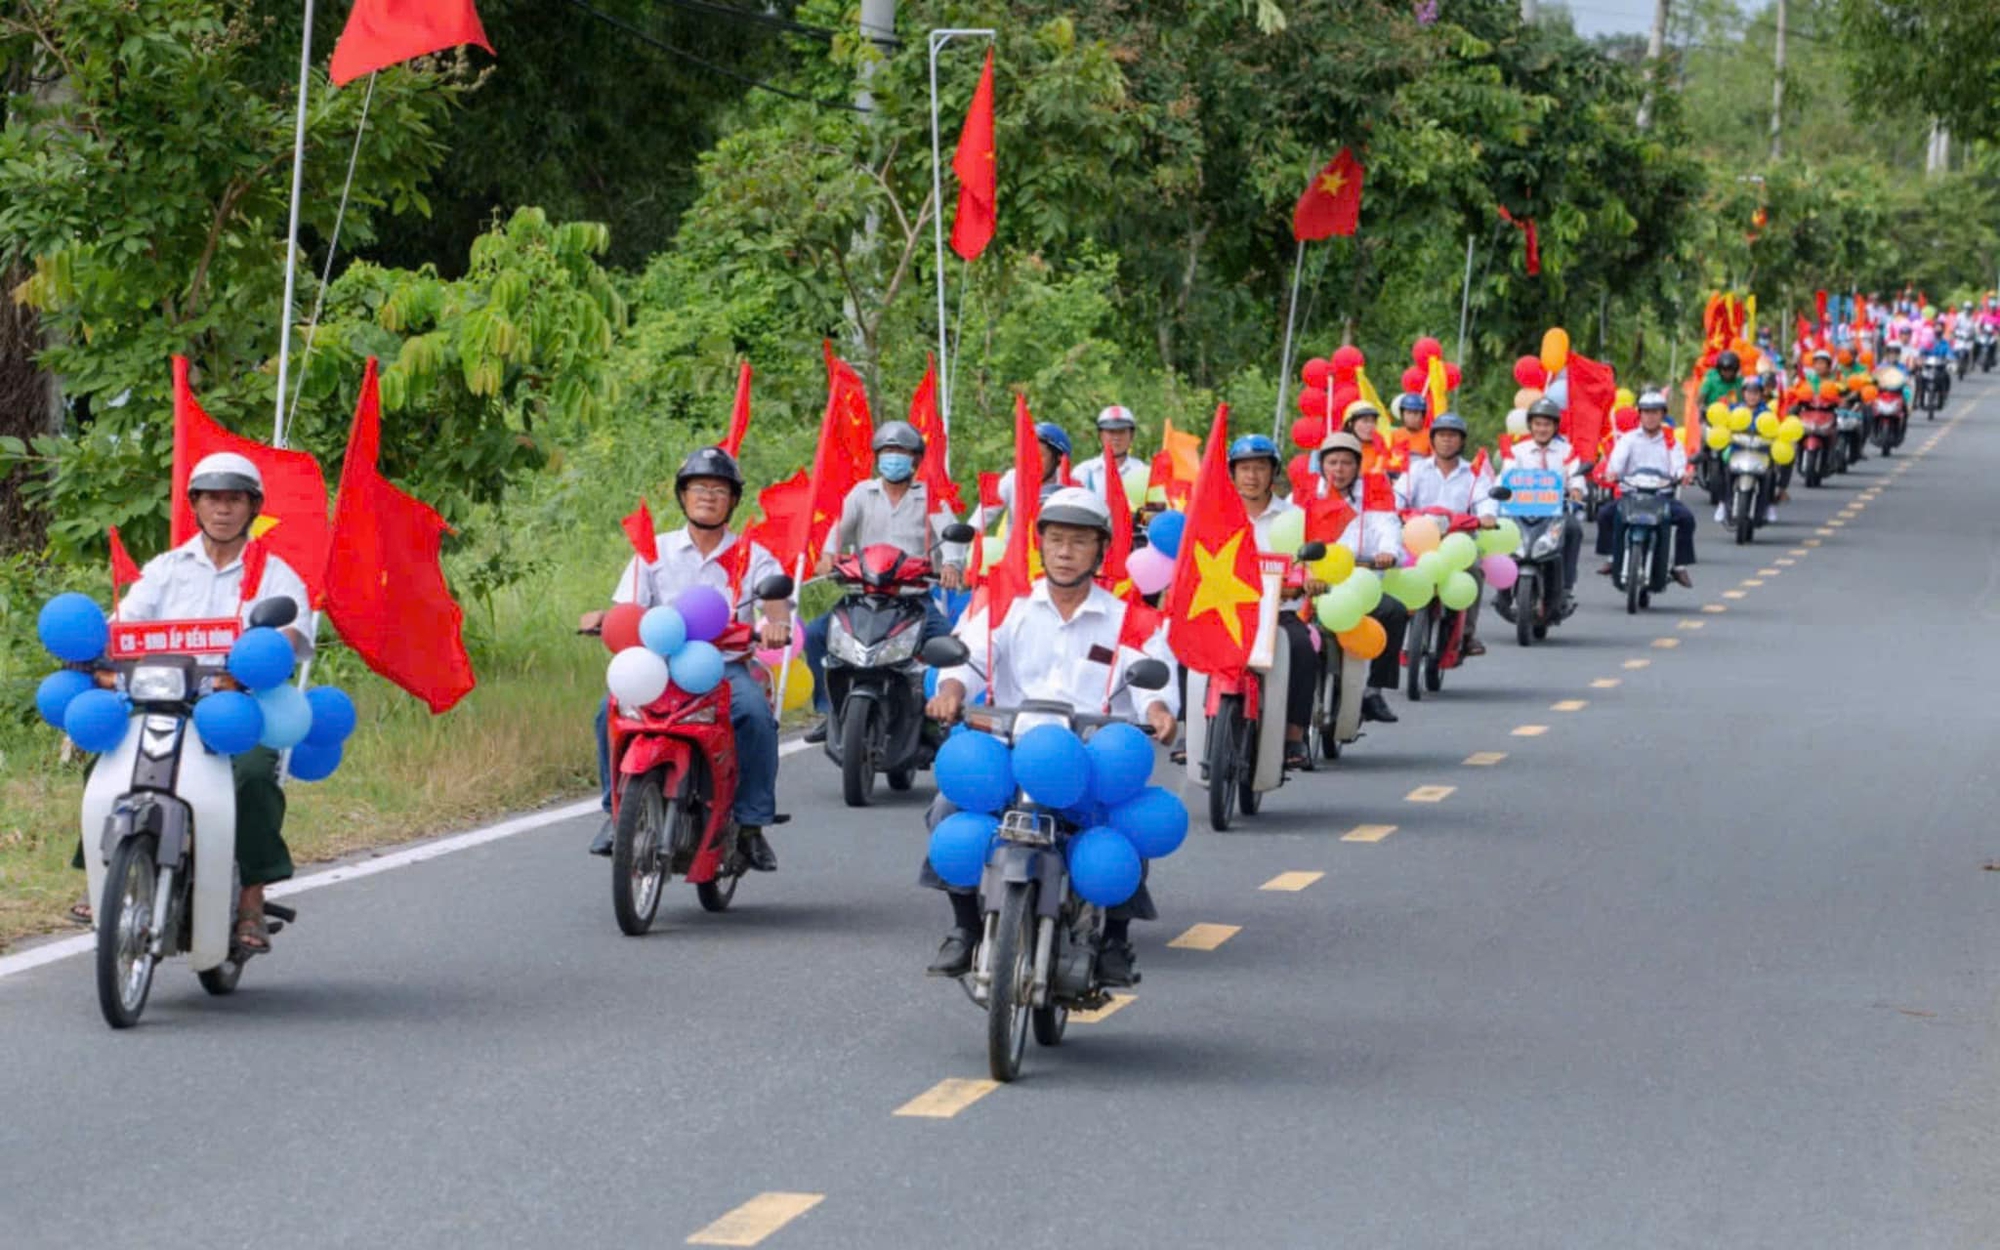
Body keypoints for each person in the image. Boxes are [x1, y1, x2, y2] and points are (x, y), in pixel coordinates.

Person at [923, 487, 1178, 983]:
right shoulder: (1004, 605)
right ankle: (965, 928)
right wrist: (951, 690)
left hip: (1090, 762)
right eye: (1056, 539)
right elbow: (969, 658)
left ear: (1101, 550)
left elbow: (1154, 679)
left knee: (1125, 825)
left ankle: (1115, 939)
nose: (1065, 551)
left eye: (1079, 542)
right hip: (1010, 754)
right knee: (946, 811)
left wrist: (1160, 709)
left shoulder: (1130, 618)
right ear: (1040, 544)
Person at [108, 453, 315, 952]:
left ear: (252, 507)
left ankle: (251, 898)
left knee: (251, 775)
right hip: (167, 704)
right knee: (115, 762)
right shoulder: (166, 569)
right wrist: (99, 651)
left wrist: (264, 652)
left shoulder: (276, 574)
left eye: (235, 499)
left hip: (244, 709)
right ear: (195, 506)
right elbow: (125, 624)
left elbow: (290, 633)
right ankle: (106, 882)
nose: (223, 509)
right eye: (212, 499)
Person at [580, 447, 791, 869]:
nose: (708, 496)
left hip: (724, 666)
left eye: (719, 489)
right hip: (658, 668)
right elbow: (627, 608)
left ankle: (751, 825)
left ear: (733, 500)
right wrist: (601, 618)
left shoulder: (753, 554)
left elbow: (777, 602)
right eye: (698, 487)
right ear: (683, 495)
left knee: (755, 716)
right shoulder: (653, 552)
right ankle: (614, 813)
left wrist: (775, 623)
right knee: (608, 711)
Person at [801, 421, 966, 743]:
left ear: (915, 460)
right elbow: (837, 529)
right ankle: (828, 711)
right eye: (888, 451)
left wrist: (951, 564)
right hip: (863, 595)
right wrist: (828, 555)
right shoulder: (863, 493)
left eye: (901, 452)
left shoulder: (930, 495)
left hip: (912, 598)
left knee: (948, 646)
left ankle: (936, 718)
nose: (894, 458)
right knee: (815, 634)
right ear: (877, 457)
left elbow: (952, 537)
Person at [1226, 434, 1318, 769]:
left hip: (1278, 614)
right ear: (1232, 473)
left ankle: (1294, 736)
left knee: (1303, 649)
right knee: (1187, 648)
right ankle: (1189, 725)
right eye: (1245, 468)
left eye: (1260, 468)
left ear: (1273, 472)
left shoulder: (1293, 517)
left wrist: (1309, 580)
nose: (1252, 476)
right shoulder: (1218, 514)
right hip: (1228, 614)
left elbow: (1310, 563)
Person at [1316, 432, 1406, 723]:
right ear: (1322, 465)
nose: (1338, 470)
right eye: (1332, 462)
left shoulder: (1373, 495)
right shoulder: (1306, 495)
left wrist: (1387, 552)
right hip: (1314, 585)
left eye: (1346, 463)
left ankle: (1373, 690)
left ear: (1357, 467)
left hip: (1358, 585)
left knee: (1394, 611)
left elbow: (1388, 526)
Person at [1394, 412, 1496, 655]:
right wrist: (1396, 510)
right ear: (1432, 439)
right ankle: (1396, 628)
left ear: (1462, 441)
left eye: (1452, 436)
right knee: (1396, 570)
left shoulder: (1474, 473)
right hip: (1418, 540)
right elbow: (1397, 496)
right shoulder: (1416, 470)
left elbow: (1485, 500)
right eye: (1441, 435)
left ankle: (1468, 633)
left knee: (1475, 570)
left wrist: (1487, 516)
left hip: (1457, 543)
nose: (1447, 441)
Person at [1594, 392, 1696, 587]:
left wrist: (1681, 475)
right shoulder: (1628, 439)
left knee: (1686, 518)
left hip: (1661, 497)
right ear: (1639, 415)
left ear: (1662, 414)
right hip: (1631, 495)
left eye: (1655, 412)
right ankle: (1611, 557)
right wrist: (1612, 473)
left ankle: (1679, 565)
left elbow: (1678, 465)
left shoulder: (1671, 441)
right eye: (1646, 412)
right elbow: (1616, 463)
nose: (1650, 417)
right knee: (1605, 514)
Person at [1495, 397, 1585, 615]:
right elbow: (1506, 475)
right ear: (1530, 425)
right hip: (1520, 510)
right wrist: (1500, 489)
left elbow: (1576, 476)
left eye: (1547, 424)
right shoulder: (1518, 451)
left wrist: (1576, 489)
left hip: (1555, 512)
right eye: (1537, 424)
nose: (1542, 429)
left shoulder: (1567, 451)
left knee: (1573, 530)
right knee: (1500, 532)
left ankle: (1566, 587)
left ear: (1555, 426)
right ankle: (1502, 588)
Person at [994, 422, 1072, 519]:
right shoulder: (1012, 478)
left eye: (1039, 455)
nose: (1032, 462)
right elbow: (980, 518)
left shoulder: (1071, 486)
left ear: (1058, 458)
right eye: (1028, 454)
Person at [1073, 405, 1145, 499]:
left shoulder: (1143, 472)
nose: (1116, 437)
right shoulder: (1083, 472)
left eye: (1122, 431)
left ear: (1131, 435)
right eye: (1111, 432)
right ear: (1100, 435)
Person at [1386, 392, 1430, 473]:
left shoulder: (1430, 436)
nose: (1412, 417)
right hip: (1397, 477)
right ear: (1402, 415)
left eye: (1416, 413)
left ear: (1423, 415)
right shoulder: (1394, 435)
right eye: (1409, 413)